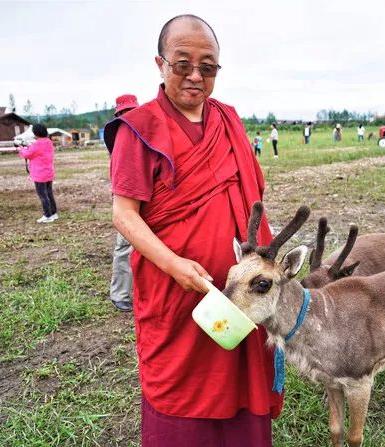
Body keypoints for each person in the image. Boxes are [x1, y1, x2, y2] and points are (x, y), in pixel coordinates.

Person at [104, 14, 282, 446]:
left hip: (241, 292)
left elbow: (252, 195)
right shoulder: (140, 129)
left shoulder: (229, 120)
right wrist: (174, 265)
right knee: (183, 386)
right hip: (176, 290)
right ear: (160, 64)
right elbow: (124, 215)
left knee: (242, 372)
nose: (195, 76)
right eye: (182, 64)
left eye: (208, 66)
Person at [109, 94, 140, 312]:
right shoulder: (119, 138)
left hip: (150, 200)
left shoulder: (146, 132)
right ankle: (120, 293)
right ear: (118, 116)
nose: (129, 117)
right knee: (125, 247)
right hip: (129, 202)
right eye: (125, 113)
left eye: (133, 112)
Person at [19, 123, 58, 223]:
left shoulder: (37, 144)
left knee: (43, 195)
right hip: (49, 172)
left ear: (36, 133)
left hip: (39, 174)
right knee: (49, 194)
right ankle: (53, 213)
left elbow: (27, 154)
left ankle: (47, 215)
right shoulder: (48, 142)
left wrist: (21, 149)